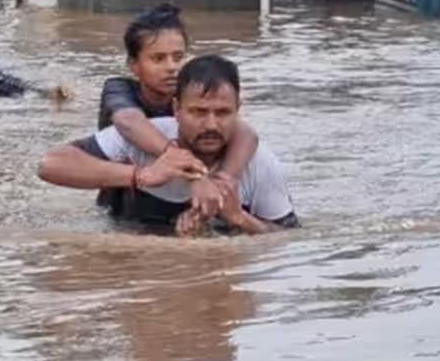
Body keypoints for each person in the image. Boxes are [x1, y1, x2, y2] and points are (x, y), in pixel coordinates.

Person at [39, 55, 298, 236]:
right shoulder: (147, 138)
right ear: (176, 109)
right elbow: (50, 165)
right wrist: (141, 176)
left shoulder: (260, 163)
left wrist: (240, 219)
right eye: (197, 112)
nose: (211, 125)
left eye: (222, 113)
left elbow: (290, 241)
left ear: (238, 110)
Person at [98, 4, 261, 218]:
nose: (171, 67)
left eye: (178, 57)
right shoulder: (119, 89)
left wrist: (221, 181)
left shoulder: (193, 96)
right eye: (158, 59)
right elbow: (128, 121)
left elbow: (246, 133)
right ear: (133, 65)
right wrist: (181, 160)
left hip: (185, 192)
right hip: (125, 198)